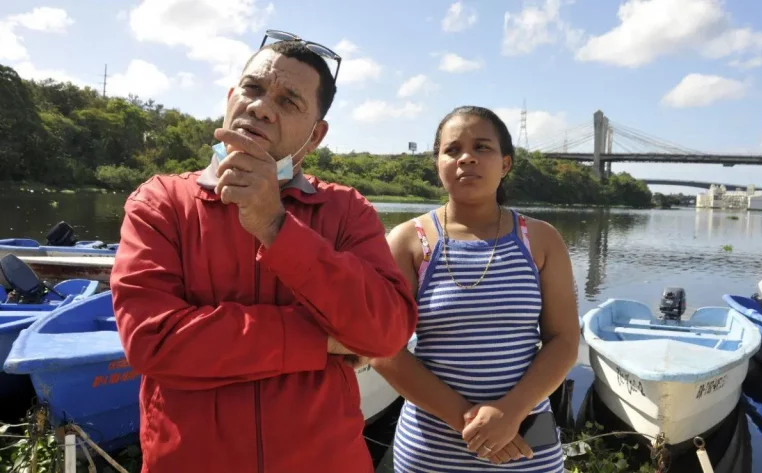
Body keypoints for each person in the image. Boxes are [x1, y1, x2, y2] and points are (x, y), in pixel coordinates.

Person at [110, 30, 418, 473]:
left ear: (315, 136)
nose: (260, 107)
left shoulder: (347, 210)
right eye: (252, 89)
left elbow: (386, 334)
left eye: (289, 101)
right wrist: (321, 340)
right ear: (231, 97)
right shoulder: (161, 202)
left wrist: (275, 226)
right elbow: (153, 341)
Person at [371, 106, 580, 472]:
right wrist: (474, 424)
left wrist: (510, 412)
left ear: (506, 163)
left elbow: (564, 340)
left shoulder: (542, 240)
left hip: (527, 442)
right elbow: (385, 351)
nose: (467, 158)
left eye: (482, 147)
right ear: (438, 163)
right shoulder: (407, 241)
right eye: (452, 150)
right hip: (432, 450)